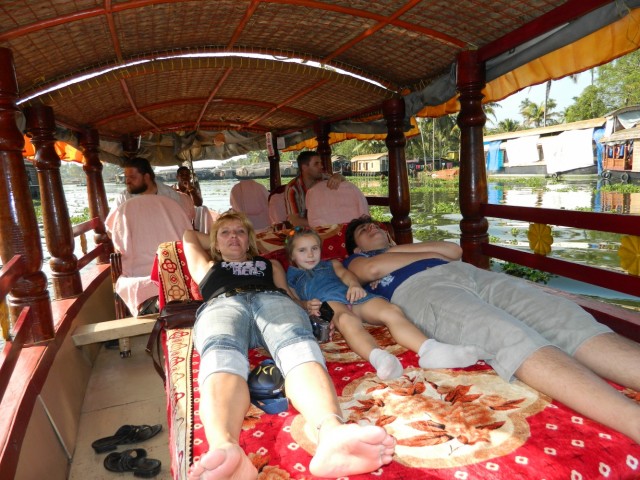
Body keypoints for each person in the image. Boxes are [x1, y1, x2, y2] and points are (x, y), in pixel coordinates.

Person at [343, 216, 640, 444]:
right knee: (505, 335)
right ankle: (633, 421)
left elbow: (454, 250)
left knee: (563, 317)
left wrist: (392, 251)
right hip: (419, 289)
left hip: (470, 274)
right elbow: (371, 270)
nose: (371, 227)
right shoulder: (354, 260)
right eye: (363, 231)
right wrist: (406, 254)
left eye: (374, 225)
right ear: (357, 248)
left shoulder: (400, 249)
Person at [182, 211, 396, 480]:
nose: (233, 236)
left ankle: (332, 433)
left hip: (271, 300)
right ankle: (226, 450)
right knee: (220, 353)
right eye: (226, 233)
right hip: (224, 303)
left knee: (297, 344)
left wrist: (307, 308)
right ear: (215, 242)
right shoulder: (207, 266)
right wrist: (221, 236)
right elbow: (189, 236)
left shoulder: (270, 265)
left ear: (250, 240)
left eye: (240, 232)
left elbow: (289, 296)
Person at [284, 227, 483, 380]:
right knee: (346, 319)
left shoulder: (331, 264)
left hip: (353, 295)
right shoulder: (291, 276)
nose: (310, 255)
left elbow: (346, 275)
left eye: (314, 248)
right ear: (292, 255)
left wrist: (354, 285)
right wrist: (306, 305)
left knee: (391, 311)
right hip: (328, 302)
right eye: (302, 250)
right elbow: (292, 300)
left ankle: (430, 350)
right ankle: (380, 358)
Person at [114, 157, 194, 220]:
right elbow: (113, 229)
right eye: (126, 177)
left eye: (132, 177)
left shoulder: (170, 195)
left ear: (146, 177)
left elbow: (182, 221)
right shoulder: (124, 198)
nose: (127, 181)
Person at [285, 150, 345, 227]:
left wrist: (338, 176)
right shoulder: (293, 188)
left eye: (320, 163)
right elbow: (294, 220)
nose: (321, 166)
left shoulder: (325, 179)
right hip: (306, 230)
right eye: (316, 164)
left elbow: (345, 184)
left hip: (330, 225)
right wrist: (322, 225)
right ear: (304, 168)